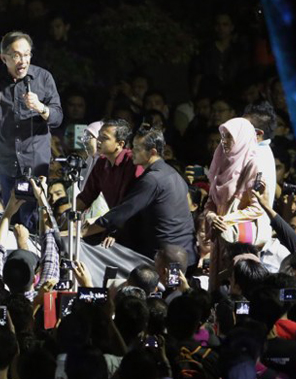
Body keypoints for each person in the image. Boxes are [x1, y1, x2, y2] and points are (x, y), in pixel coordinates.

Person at [0, 31, 62, 211]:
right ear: (4, 57)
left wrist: (41, 107)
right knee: (10, 215)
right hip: (6, 161)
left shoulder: (43, 78)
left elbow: (57, 118)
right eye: (16, 55)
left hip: (35, 162)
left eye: (26, 55)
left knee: (32, 217)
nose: (23, 61)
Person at [83, 127, 196, 262]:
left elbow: (122, 212)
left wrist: (82, 232)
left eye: (137, 148)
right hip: (184, 252)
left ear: (152, 152)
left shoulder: (153, 179)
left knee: (168, 283)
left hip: (168, 258)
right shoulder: (171, 172)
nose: (132, 152)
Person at [203, 117, 269, 289]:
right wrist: (211, 217)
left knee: (236, 285)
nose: (223, 142)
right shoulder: (221, 163)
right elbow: (210, 203)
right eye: (222, 136)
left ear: (242, 137)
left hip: (238, 239)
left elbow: (257, 207)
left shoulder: (252, 164)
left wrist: (226, 219)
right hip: (220, 236)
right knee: (218, 286)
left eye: (229, 137)